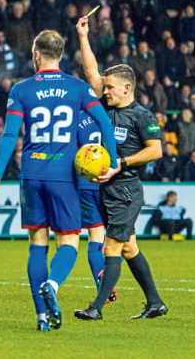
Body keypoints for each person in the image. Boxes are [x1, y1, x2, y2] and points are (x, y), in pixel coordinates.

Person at [0, 30, 118, 331]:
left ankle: (42, 318)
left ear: (36, 54)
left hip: (30, 173)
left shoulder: (20, 89)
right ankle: (53, 286)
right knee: (69, 242)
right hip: (63, 175)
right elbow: (104, 126)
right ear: (60, 56)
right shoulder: (78, 88)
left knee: (36, 245)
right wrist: (111, 163)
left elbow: (9, 135)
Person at [74, 16, 168, 321]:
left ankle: (96, 308)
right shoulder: (107, 106)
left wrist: (121, 163)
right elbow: (90, 71)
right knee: (128, 248)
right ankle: (155, 303)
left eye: (111, 87)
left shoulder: (141, 116)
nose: (105, 90)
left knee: (111, 245)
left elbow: (156, 150)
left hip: (127, 188)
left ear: (127, 88)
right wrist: (83, 36)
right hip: (107, 187)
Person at [76, 111, 117, 303]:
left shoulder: (74, 117)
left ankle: (102, 284)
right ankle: (106, 277)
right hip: (109, 181)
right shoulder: (111, 115)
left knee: (95, 237)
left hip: (84, 181)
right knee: (123, 239)